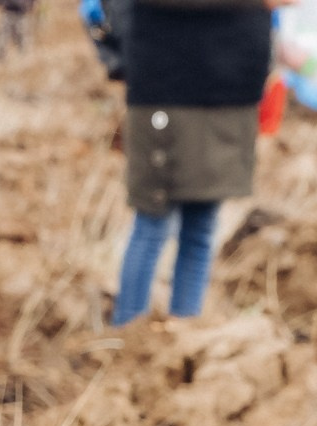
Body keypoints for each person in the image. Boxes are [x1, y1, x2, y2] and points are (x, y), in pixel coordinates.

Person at [111, 0, 274, 319]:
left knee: (202, 223)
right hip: (168, 86)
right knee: (153, 220)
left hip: (229, 88)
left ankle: (184, 331)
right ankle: (126, 337)